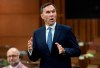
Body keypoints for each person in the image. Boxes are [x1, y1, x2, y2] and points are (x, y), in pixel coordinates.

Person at [28, 2, 81, 68]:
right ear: (42, 16)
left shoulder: (66, 30)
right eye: (48, 12)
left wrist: (64, 50)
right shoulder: (37, 33)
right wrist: (30, 50)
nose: (51, 14)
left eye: (53, 12)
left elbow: (77, 51)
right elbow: (34, 58)